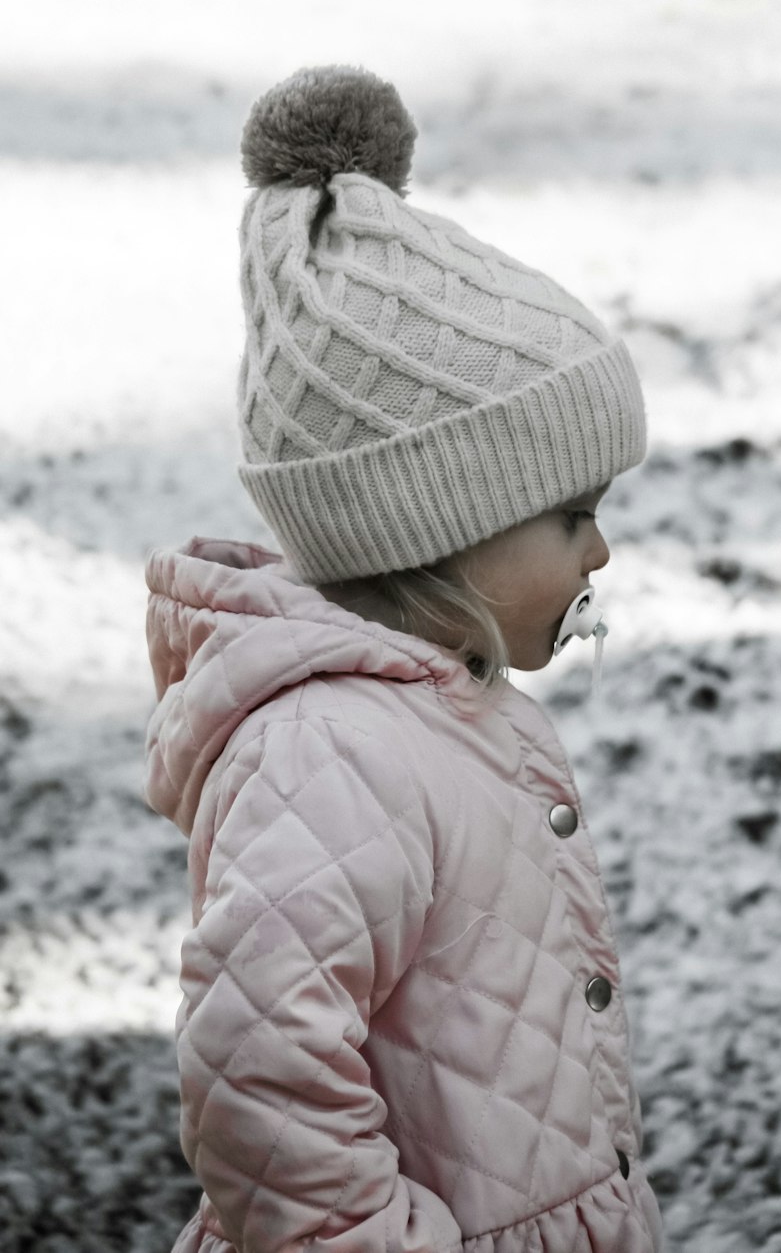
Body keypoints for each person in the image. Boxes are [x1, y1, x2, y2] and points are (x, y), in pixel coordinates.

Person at [144, 65, 663, 1253]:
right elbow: (257, 1069)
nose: (604, 547)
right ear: (434, 527)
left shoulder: (442, 706)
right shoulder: (328, 752)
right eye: (571, 514)